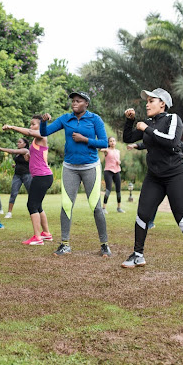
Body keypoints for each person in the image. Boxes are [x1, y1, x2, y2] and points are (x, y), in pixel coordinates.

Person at [121, 88, 183, 275]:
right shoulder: (148, 123)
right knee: (142, 214)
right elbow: (127, 138)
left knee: (182, 218)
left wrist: (146, 129)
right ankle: (138, 254)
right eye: (147, 101)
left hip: (176, 175)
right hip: (154, 176)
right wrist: (130, 121)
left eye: (151, 100)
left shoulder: (173, 119)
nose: (147, 103)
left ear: (163, 103)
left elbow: (171, 141)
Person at [39, 91, 112, 258]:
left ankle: (104, 245)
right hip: (70, 167)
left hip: (90, 167)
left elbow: (104, 142)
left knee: (96, 206)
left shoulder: (95, 119)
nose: (74, 103)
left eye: (78, 101)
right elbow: (44, 133)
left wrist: (85, 139)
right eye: (73, 101)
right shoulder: (66, 118)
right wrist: (43, 122)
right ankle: (65, 244)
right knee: (66, 205)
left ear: (86, 103)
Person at [0, 118, 53, 244]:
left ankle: (37, 238)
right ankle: (46, 233)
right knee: (38, 205)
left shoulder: (42, 135)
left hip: (42, 176)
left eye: (33, 124)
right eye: (30, 124)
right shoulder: (36, 141)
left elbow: (29, 132)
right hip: (41, 176)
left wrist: (12, 126)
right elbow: (37, 159)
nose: (31, 126)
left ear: (40, 126)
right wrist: (30, 159)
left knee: (31, 205)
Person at [129, 140, 183, 229]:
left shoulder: (179, 144)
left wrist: (178, 158)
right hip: (161, 176)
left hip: (176, 177)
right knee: (153, 200)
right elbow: (146, 144)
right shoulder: (159, 141)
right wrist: (135, 145)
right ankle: (150, 221)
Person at [0, 137, 32, 219]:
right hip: (17, 175)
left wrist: (1, 148)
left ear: (25, 144)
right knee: (13, 193)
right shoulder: (19, 153)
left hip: (27, 175)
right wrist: (15, 165)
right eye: (17, 142)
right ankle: (9, 212)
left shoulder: (26, 150)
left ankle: (35, 211)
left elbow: (12, 151)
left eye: (20, 142)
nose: (17, 143)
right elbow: (22, 162)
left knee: (31, 194)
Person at [99, 137, 124, 214]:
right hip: (108, 171)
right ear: (108, 143)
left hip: (117, 171)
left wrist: (119, 162)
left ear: (115, 142)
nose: (112, 142)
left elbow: (118, 160)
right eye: (110, 141)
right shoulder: (107, 150)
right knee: (108, 189)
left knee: (118, 190)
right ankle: (103, 208)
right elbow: (100, 149)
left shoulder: (118, 151)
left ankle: (119, 208)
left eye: (113, 141)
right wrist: (102, 146)